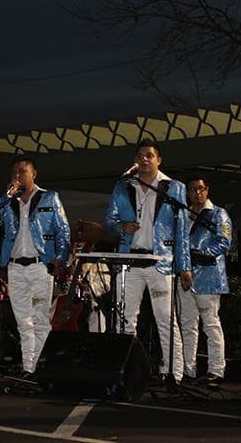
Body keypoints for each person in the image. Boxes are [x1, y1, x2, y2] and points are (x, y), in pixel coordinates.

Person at [103, 138, 192, 384]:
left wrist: (184, 266)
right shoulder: (123, 187)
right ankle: (127, 370)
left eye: (149, 155)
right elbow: (108, 223)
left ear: (158, 160)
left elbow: (182, 230)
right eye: (140, 155)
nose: (143, 159)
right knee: (125, 318)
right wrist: (122, 228)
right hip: (130, 260)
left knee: (165, 318)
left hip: (160, 261)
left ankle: (174, 372)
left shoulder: (173, 188)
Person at [0, 155, 70, 378]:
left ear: (33, 174)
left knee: (40, 319)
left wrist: (59, 259)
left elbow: (63, 231)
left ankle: (42, 368)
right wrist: (5, 196)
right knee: (23, 320)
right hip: (15, 267)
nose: (18, 175)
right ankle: (28, 367)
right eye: (15, 172)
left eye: (23, 171)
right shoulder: (9, 202)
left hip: (40, 266)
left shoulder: (49, 198)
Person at [179, 174, 232, 387]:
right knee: (187, 324)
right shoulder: (184, 214)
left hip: (208, 277)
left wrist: (196, 254)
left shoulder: (219, 213)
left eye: (200, 188)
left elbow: (224, 242)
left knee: (210, 324)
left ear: (207, 190)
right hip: (185, 276)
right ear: (188, 193)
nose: (197, 193)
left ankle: (216, 370)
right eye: (192, 189)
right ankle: (187, 369)